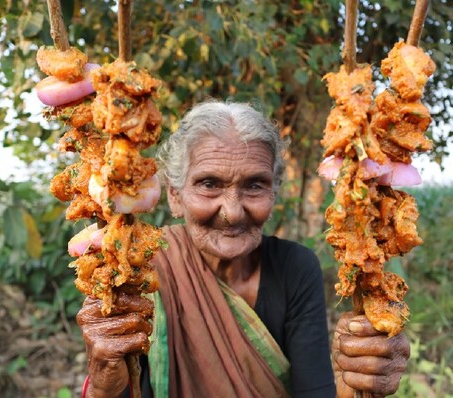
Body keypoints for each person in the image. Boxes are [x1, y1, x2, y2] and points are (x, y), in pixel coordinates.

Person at [76, 100, 410, 397]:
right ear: (175, 196)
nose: (233, 211)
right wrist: (104, 381)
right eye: (209, 184)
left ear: (274, 192)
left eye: (254, 185)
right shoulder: (140, 269)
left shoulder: (295, 267)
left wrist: (356, 379)